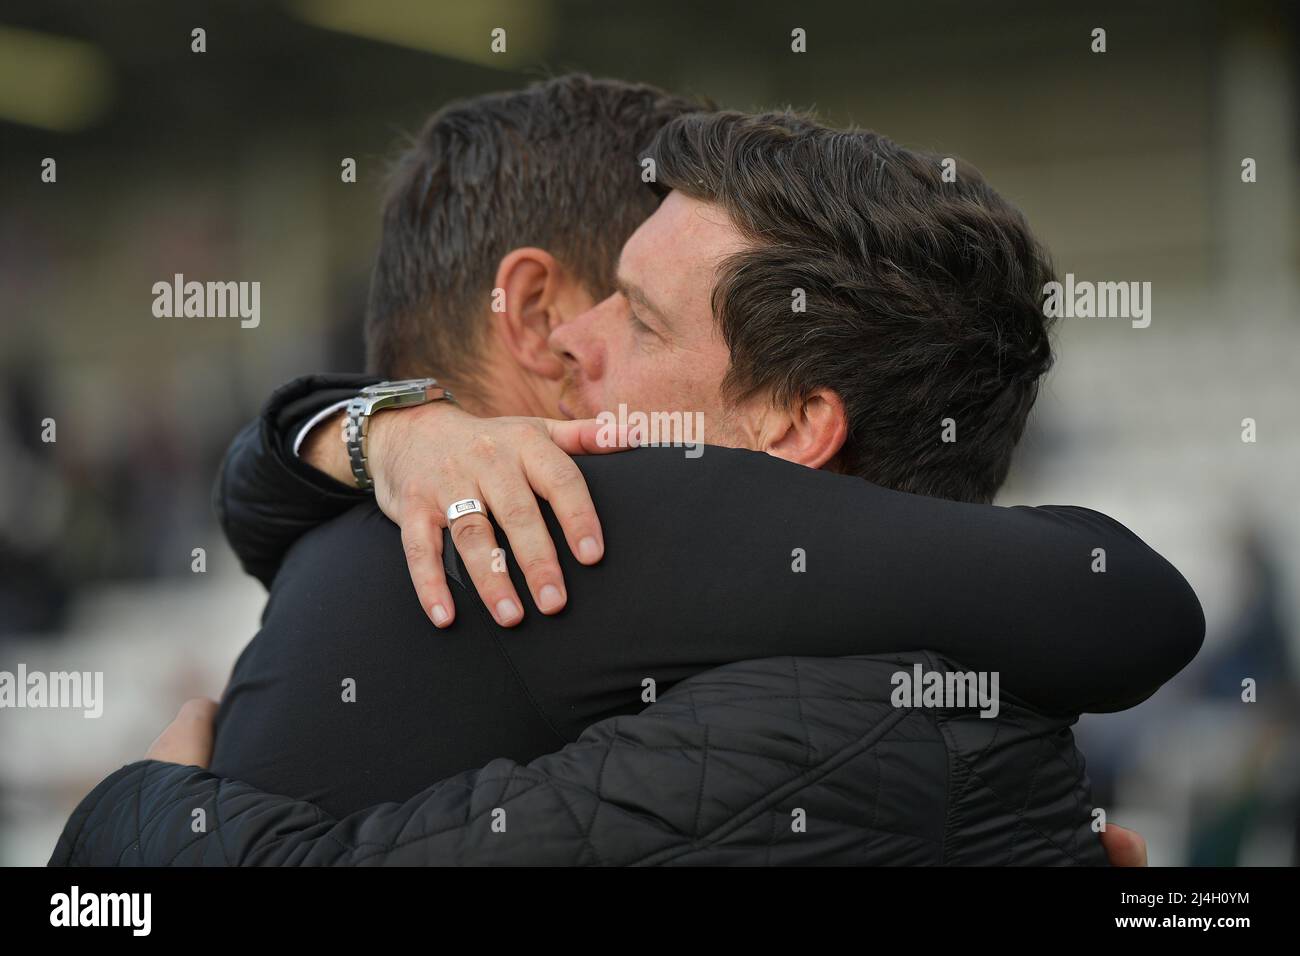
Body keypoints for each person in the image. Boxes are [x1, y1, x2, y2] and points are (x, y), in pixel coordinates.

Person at [50, 81, 1201, 865]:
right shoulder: (571, 515)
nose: (573, 342)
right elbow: (1123, 596)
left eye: (640, 319)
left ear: (799, 423)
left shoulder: (620, 532)